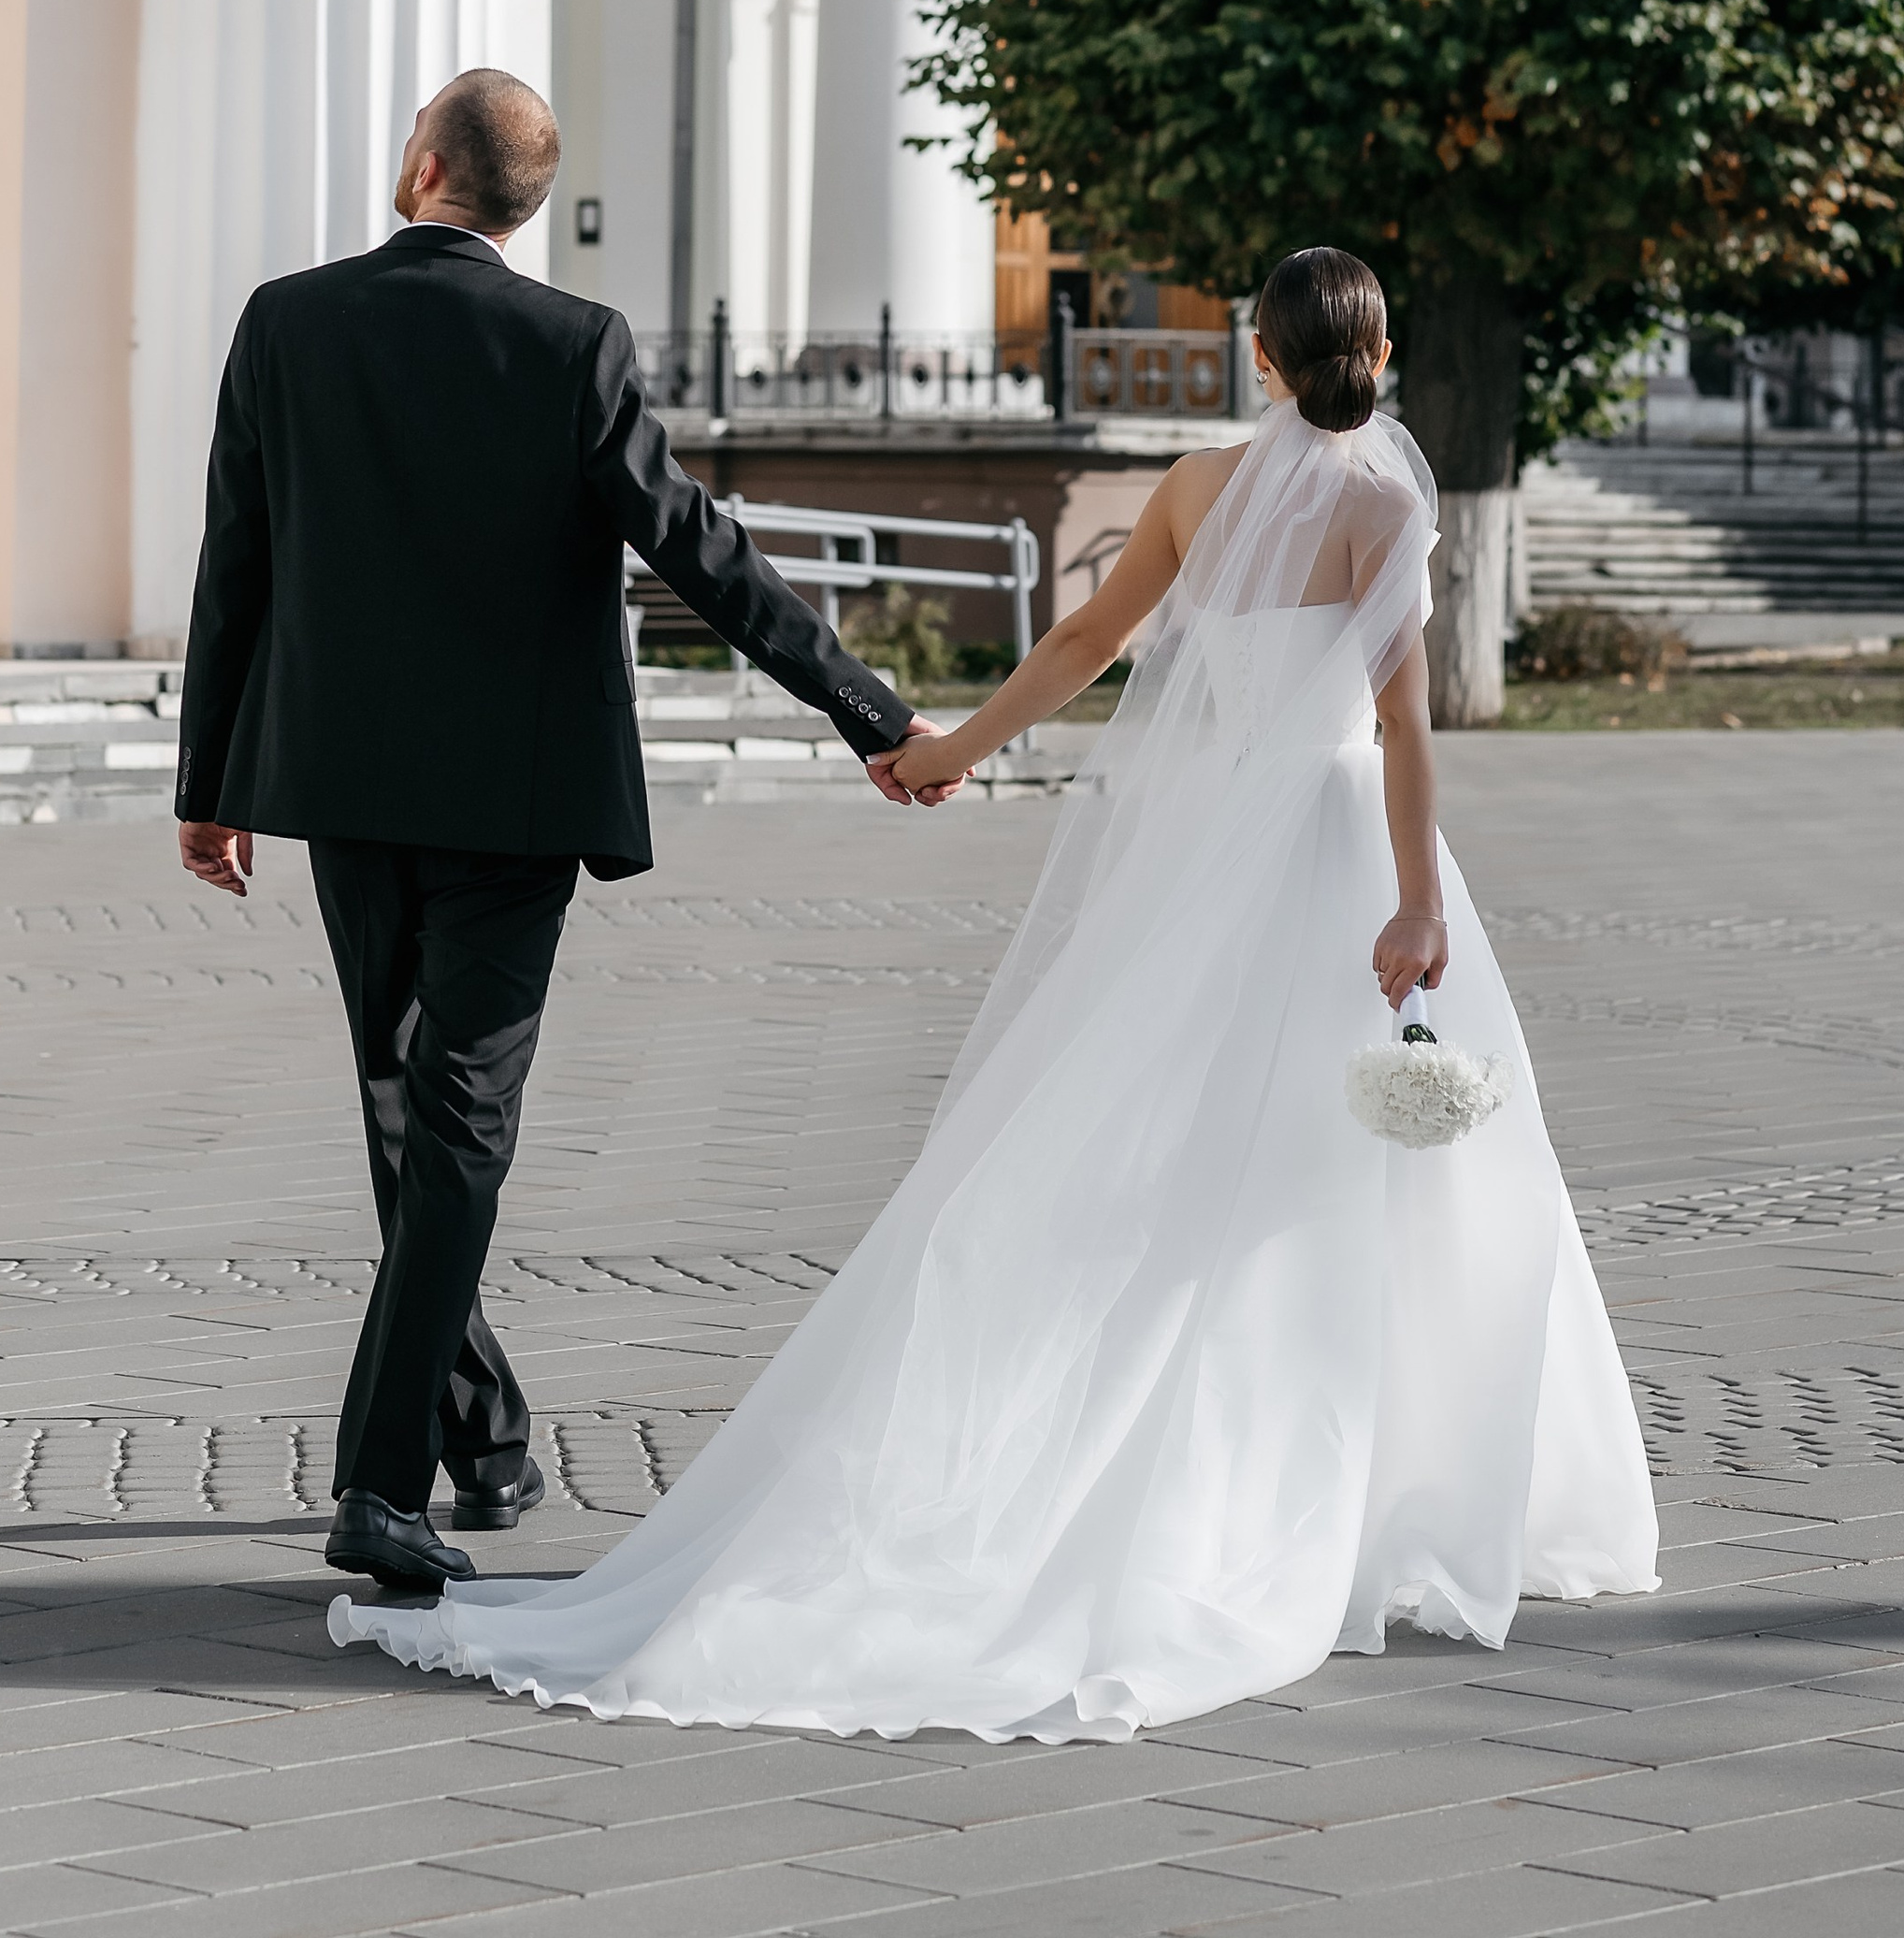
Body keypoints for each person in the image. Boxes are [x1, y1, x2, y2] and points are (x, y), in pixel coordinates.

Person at [333, 243, 1658, 1741]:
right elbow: (1405, 723)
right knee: (1364, 1178)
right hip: (1344, 848)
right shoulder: (1389, 503)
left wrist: (951, 747)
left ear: (1262, 359)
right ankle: (1392, 1479)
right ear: (1381, 348)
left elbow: (1093, 644)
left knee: (1164, 1153)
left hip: (1212, 855)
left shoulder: (1194, 487)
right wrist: (1417, 901)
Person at [174, 68, 934, 1607]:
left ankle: (477, 1431)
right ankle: (392, 1481)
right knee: (451, 1125)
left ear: (421, 164)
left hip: (341, 789)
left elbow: (234, 555)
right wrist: (863, 705)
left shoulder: (285, 323)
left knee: (408, 1111)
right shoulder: (571, 344)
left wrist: (211, 779)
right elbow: (695, 543)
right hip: (514, 804)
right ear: (520, 203)